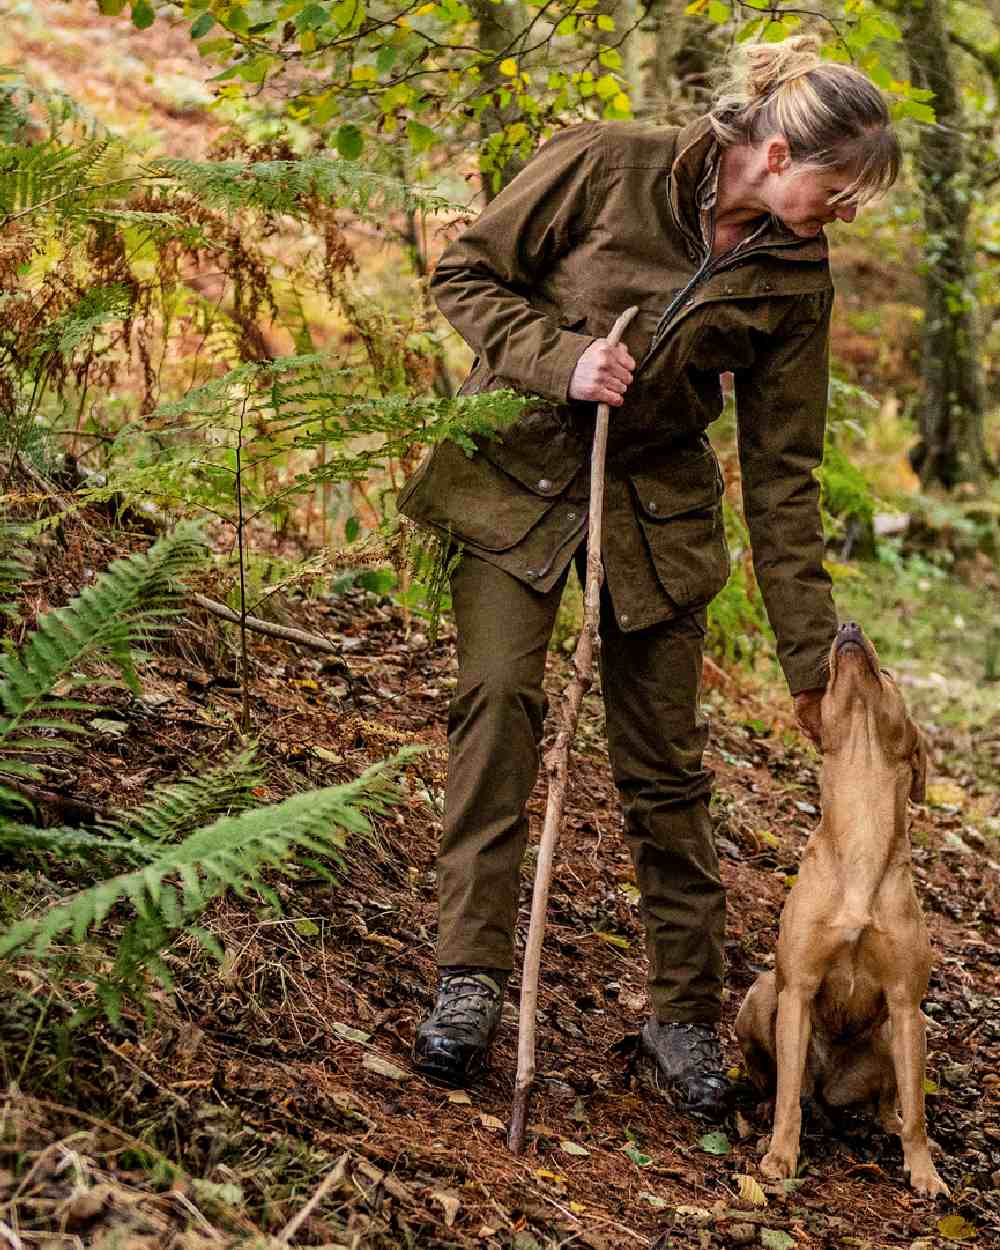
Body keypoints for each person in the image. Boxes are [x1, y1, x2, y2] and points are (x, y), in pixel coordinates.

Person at [398, 35, 900, 1118]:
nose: (845, 215)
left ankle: (681, 1014)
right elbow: (465, 272)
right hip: (514, 481)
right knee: (496, 706)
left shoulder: (795, 273)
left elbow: (783, 472)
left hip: (657, 518)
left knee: (666, 768)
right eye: (840, 191)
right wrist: (560, 359)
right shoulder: (606, 163)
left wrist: (811, 661)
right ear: (777, 153)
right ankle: (468, 982)